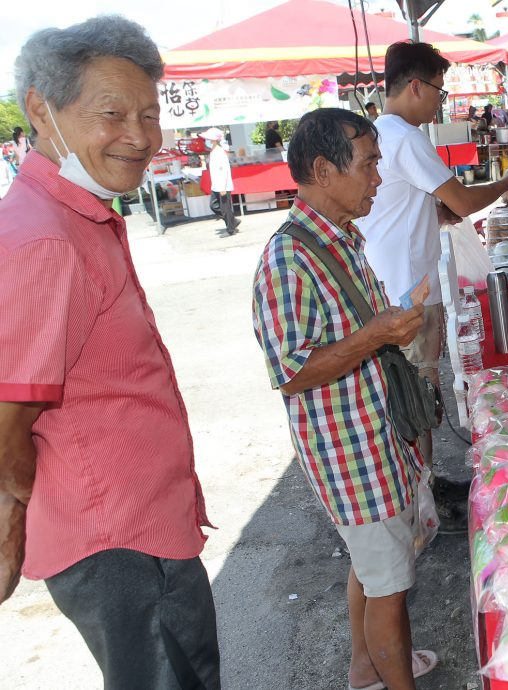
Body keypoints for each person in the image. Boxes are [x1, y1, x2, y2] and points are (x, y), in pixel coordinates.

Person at [0, 15, 220, 688]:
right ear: (40, 108)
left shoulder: (76, 215)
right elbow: (6, 418)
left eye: (149, 115)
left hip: (141, 527)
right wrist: (12, 526)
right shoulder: (47, 239)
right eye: (112, 114)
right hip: (120, 543)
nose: (139, 137)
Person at [253, 108, 436, 690]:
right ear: (324, 169)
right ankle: (392, 675)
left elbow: (355, 335)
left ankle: (366, 670)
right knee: (390, 589)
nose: (379, 177)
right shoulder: (288, 259)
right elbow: (290, 372)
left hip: (375, 432)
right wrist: (377, 334)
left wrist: (387, 326)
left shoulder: (342, 236)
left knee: (374, 567)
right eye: (370, 164)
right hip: (348, 447)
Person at [356, 41, 508, 508]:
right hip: (406, 292)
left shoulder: (385, 132)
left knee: (416, 395)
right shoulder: (404, 136)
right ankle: (422, 507)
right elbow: (461, 200)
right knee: (417, 397)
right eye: (439, 89)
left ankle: (424, 491)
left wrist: (436, 213)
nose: (442, 100)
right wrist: (507, 184)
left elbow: (419, 205)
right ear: (415, 85)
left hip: (395, 283)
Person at [204, 127, 238, 236]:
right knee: (214, 206)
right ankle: (232, 221)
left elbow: (224, 170)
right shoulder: (214, 151)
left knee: (225, 208)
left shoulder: (219, 152)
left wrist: (223, 186)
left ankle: (230, 229)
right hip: (216, 185)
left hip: (222, 185)